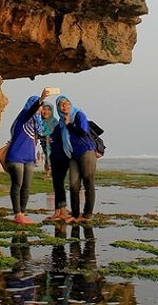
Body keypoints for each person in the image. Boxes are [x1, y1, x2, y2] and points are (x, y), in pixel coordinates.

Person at [51, 95, 97, 223]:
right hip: (72, 155)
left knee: (88, 182)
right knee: (73, 184)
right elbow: (54, 137)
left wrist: (69, 125)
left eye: (66, 103)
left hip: (85, 152)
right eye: (61, 105)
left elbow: (83, 131)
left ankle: (87, 214)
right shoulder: (61, 122)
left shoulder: (78, 115)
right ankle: (75, 215)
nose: (64, 106)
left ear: (70, 105)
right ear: (58, 108)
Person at [5, 88, 49, 224]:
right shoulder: (24, 115)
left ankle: (22, 213)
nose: (40, 109)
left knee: (27, 186)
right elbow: (32, 110)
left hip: (29, 158)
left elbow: (43, 134)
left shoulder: (37, 124)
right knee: (17, 184)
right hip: (15, 157)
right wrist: (41, 99)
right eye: (39, 106)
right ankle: (17, 214)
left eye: (42, 107)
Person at [38, 103, 59, 177]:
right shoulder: (39, 122)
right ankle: (48, 172)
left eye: (48, 109)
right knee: (47, 157)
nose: (46, 112)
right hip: (44, 143)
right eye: (44, 109)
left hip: (54, 144)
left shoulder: (55, 122)